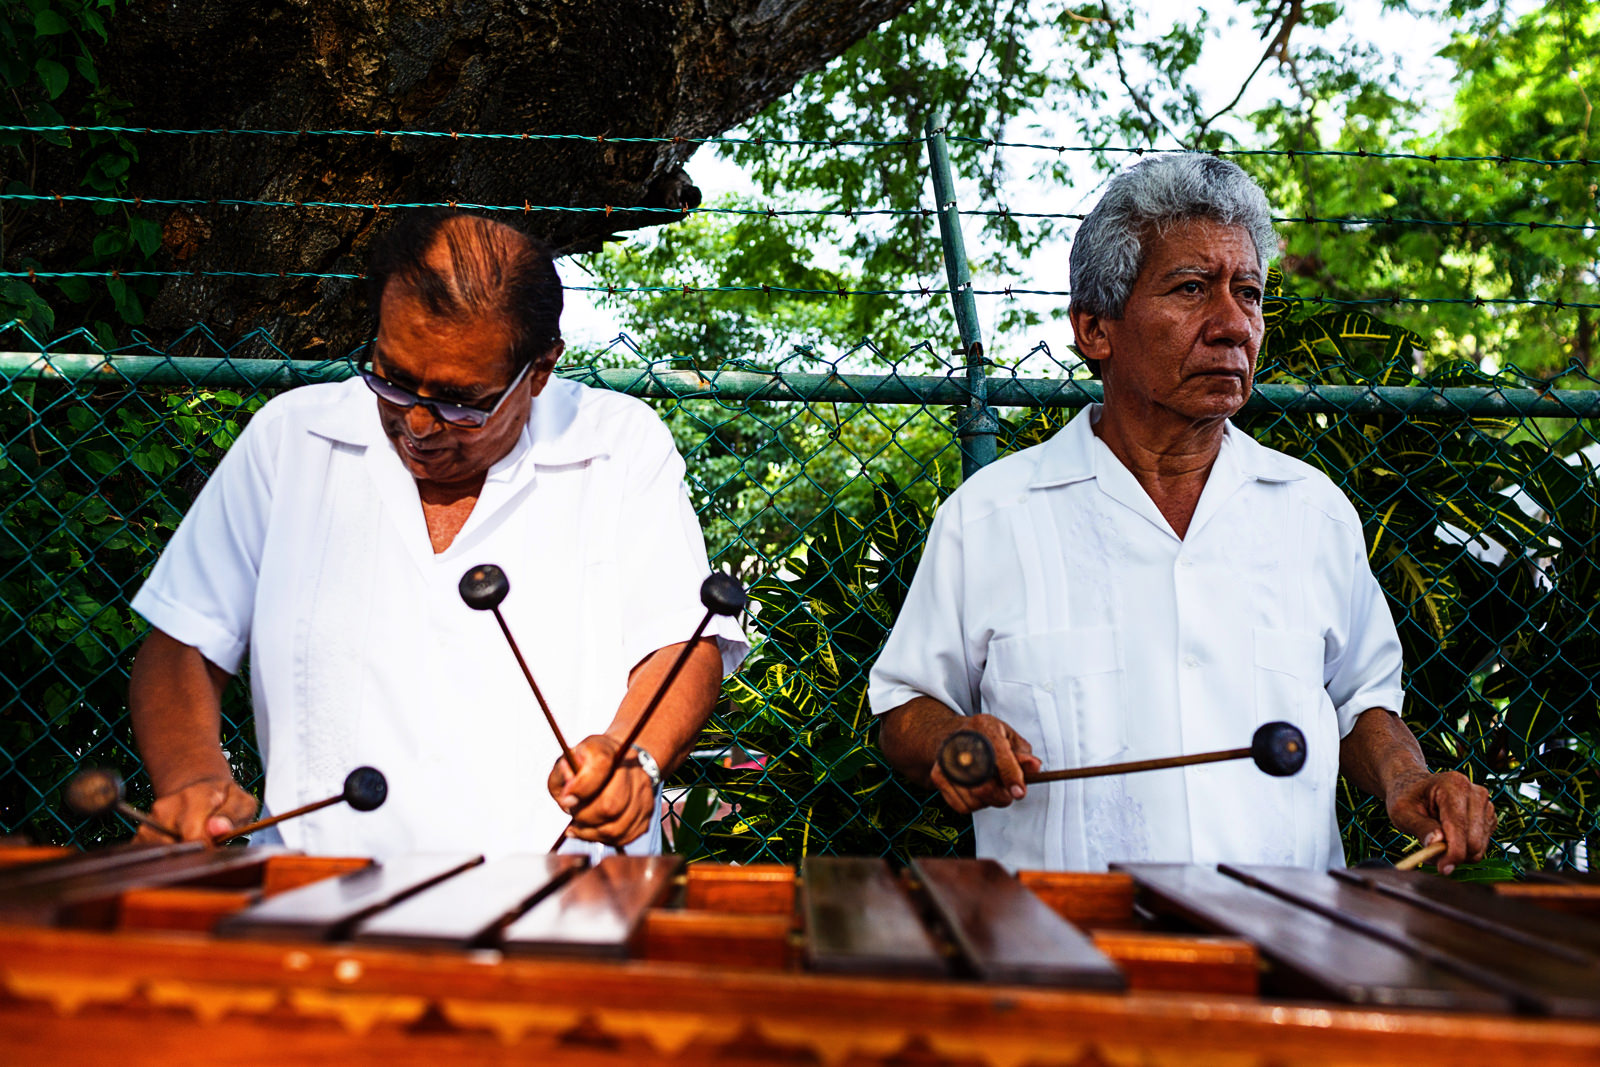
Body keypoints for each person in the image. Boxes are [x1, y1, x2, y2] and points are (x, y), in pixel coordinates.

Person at [869, 154, 1495, 874]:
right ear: (1096, 330)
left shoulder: (1314, 514)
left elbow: (1360, 705)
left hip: (1283, 949)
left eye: (1250, 294)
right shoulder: (989, 517)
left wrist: (1406, 778)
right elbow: (904, 704)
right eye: (1193, 289)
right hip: (1065, 950)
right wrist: (953, 740)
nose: (1232, 324)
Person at [127, 210, 747, 856]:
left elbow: (681, 644)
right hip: (313, 897)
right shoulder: (292, 440)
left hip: (562, 904)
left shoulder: (617, 444)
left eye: (460, 401)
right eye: (391, 380)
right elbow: (182, 644)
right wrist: (194, 777)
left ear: (538, 372)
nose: (418, 423)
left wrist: (631, 755)